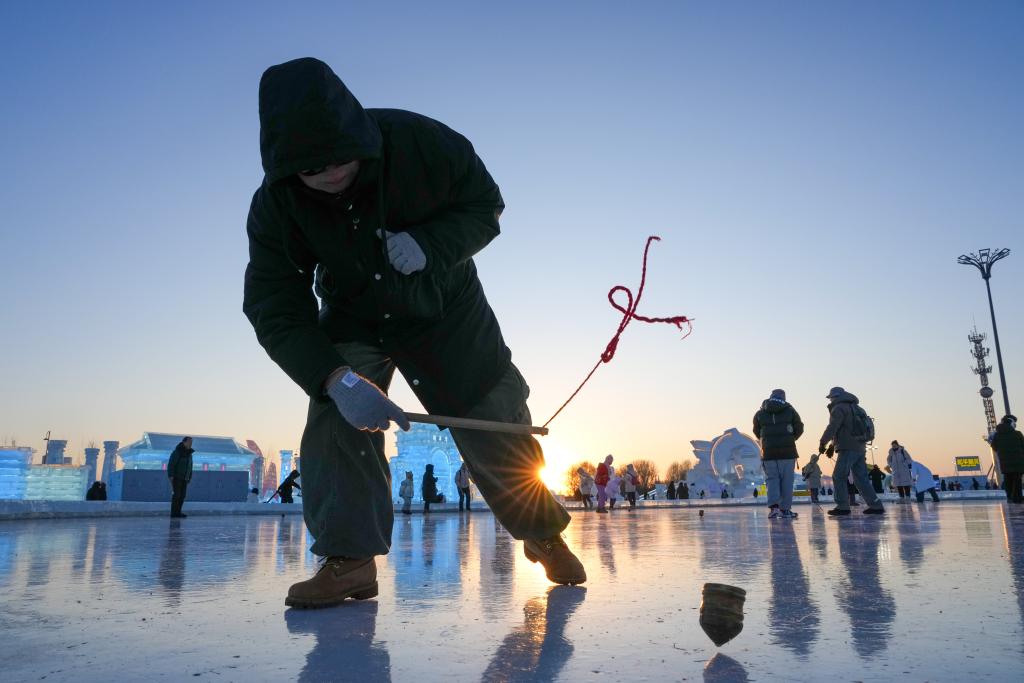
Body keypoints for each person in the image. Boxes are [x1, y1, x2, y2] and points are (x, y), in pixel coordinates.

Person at [243, 58, 586, 607]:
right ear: (287, 167)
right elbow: (273, 302)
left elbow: (484, 206)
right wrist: (333, 377)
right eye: (312, 168)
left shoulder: (420, 143)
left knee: (493, 416)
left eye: (340, 157)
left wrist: (432, 243)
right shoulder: (276, 205)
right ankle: (349, 559)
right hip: (356, 314)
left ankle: (543, 533)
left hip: (445, 309)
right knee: (336, 415)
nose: (331, 173)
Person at [818, 387, 884, 516]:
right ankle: (876, 505)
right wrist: (833, 445)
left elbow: (833, 427)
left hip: (848, 447)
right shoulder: (857, 408)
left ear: (835, 397)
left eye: (831, 397)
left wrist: (823, 442)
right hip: (860, 446)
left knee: (839, 475)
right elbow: (846, 428)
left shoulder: (839, 408)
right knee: (861, 478)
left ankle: (842, 506)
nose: (830, 400)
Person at [752, 389, 803, 519]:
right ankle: (785, 510)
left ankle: (774, 509)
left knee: (772, 480)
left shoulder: (760, 413)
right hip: (787, 453)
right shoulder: (790, 410)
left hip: (769, 453)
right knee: (787, 481)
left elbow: (756, 431)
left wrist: (767, 441)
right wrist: (790, 439)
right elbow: (799, 428)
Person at [991, 415, 1024, 504]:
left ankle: (1009, 497)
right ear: (1011, 424)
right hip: (1018, 462)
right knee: (1017, 480)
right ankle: (1017, 498)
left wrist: (1002, 452)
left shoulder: (997, 435)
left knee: (1008, 479)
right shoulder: (1017, 433)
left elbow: (994, 446)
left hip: (1004, 462)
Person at [167, 437, 194, 519]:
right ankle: (174, 513)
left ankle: (178, 512)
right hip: (177, 477)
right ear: (184, 442)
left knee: (182, 496)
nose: (190, 443)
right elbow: (171, 464)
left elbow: (190, 466)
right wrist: (171, 475)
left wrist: (189, 477)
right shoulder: (177, 452)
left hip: (185, 478)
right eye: (189, 442)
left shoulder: (189, 454)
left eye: (191, 442)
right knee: (177, 495)